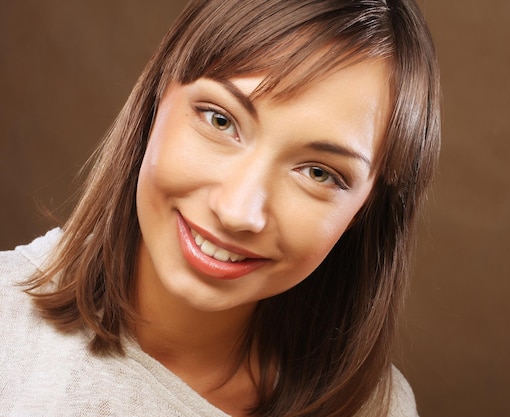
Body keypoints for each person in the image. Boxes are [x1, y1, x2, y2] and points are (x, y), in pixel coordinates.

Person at [0, 0, 440, 415]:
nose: (238, 211)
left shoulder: (378, 406)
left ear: (367, 210)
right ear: (156, 98)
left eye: (318, 172)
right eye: (221, 120)